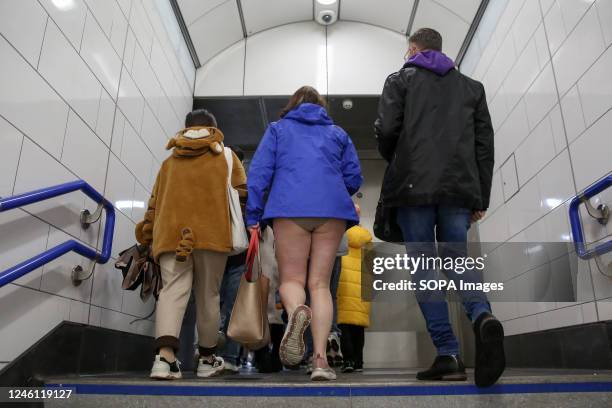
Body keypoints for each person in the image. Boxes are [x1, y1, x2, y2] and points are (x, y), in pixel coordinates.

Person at [374, 28, 504, 388]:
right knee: (457, 260)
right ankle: (482, 316)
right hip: (459, 189)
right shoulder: (471, 87)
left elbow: (386, 131)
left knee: (424, 268)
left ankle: (448, 352)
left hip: (413, 188)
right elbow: (484, 145)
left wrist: (402, 161)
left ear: (413, 49)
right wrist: (481, 197)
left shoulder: (399, 80)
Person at [246, 86, 363, 381]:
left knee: (291, 280)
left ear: (293, 105)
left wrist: (254, 215)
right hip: (332, 210)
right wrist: (332, 191)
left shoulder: (277, 130)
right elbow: (354, 177)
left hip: (290, 207)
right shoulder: (338, 133)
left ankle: (298, 311)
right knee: (321, 285)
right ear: (321, 107)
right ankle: (321, 361)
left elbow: (259, 173)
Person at [136, 109, 247, 380]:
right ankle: (207, 360)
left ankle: (164, 359)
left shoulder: (168, 163)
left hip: (171, 237)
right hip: (212, 236)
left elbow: (154, 204)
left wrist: (147, 235)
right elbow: (243, 195)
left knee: (172, 292)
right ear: (213, 128)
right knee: (209, 296)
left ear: (186, 128)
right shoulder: (228, 157)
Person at [217, 145, 247, 374]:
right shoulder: (246, 184)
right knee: (235, 305)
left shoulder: (211, 177)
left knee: (211, 301)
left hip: (214, 247)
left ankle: (208, 353)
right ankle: (229, 357)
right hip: (240, 250)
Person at [337, 204, 372, 373]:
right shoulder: (366, 238)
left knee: (345, 328)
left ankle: (348, 361)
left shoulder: (339, 235)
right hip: (362, 289)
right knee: (359, 328)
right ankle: (359, 361)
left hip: (343, 286)